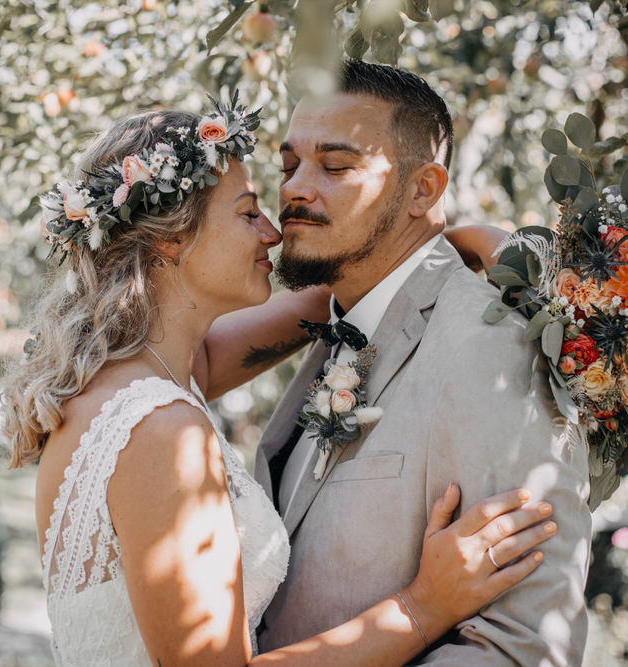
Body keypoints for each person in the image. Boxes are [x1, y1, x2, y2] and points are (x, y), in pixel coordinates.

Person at [0, 101, 558, 666]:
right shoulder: (160, 432)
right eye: (247, 214)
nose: (272, 231)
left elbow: (344, 286)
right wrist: (422, 607)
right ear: (169, 239)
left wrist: (456, 244)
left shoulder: (133, 381)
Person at [252, 60, 593, 665]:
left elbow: (521, 646)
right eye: (288, 166)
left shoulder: (492, 350)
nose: (293, 189)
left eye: (334, 166)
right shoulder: (336, 326)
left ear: (423, 190)